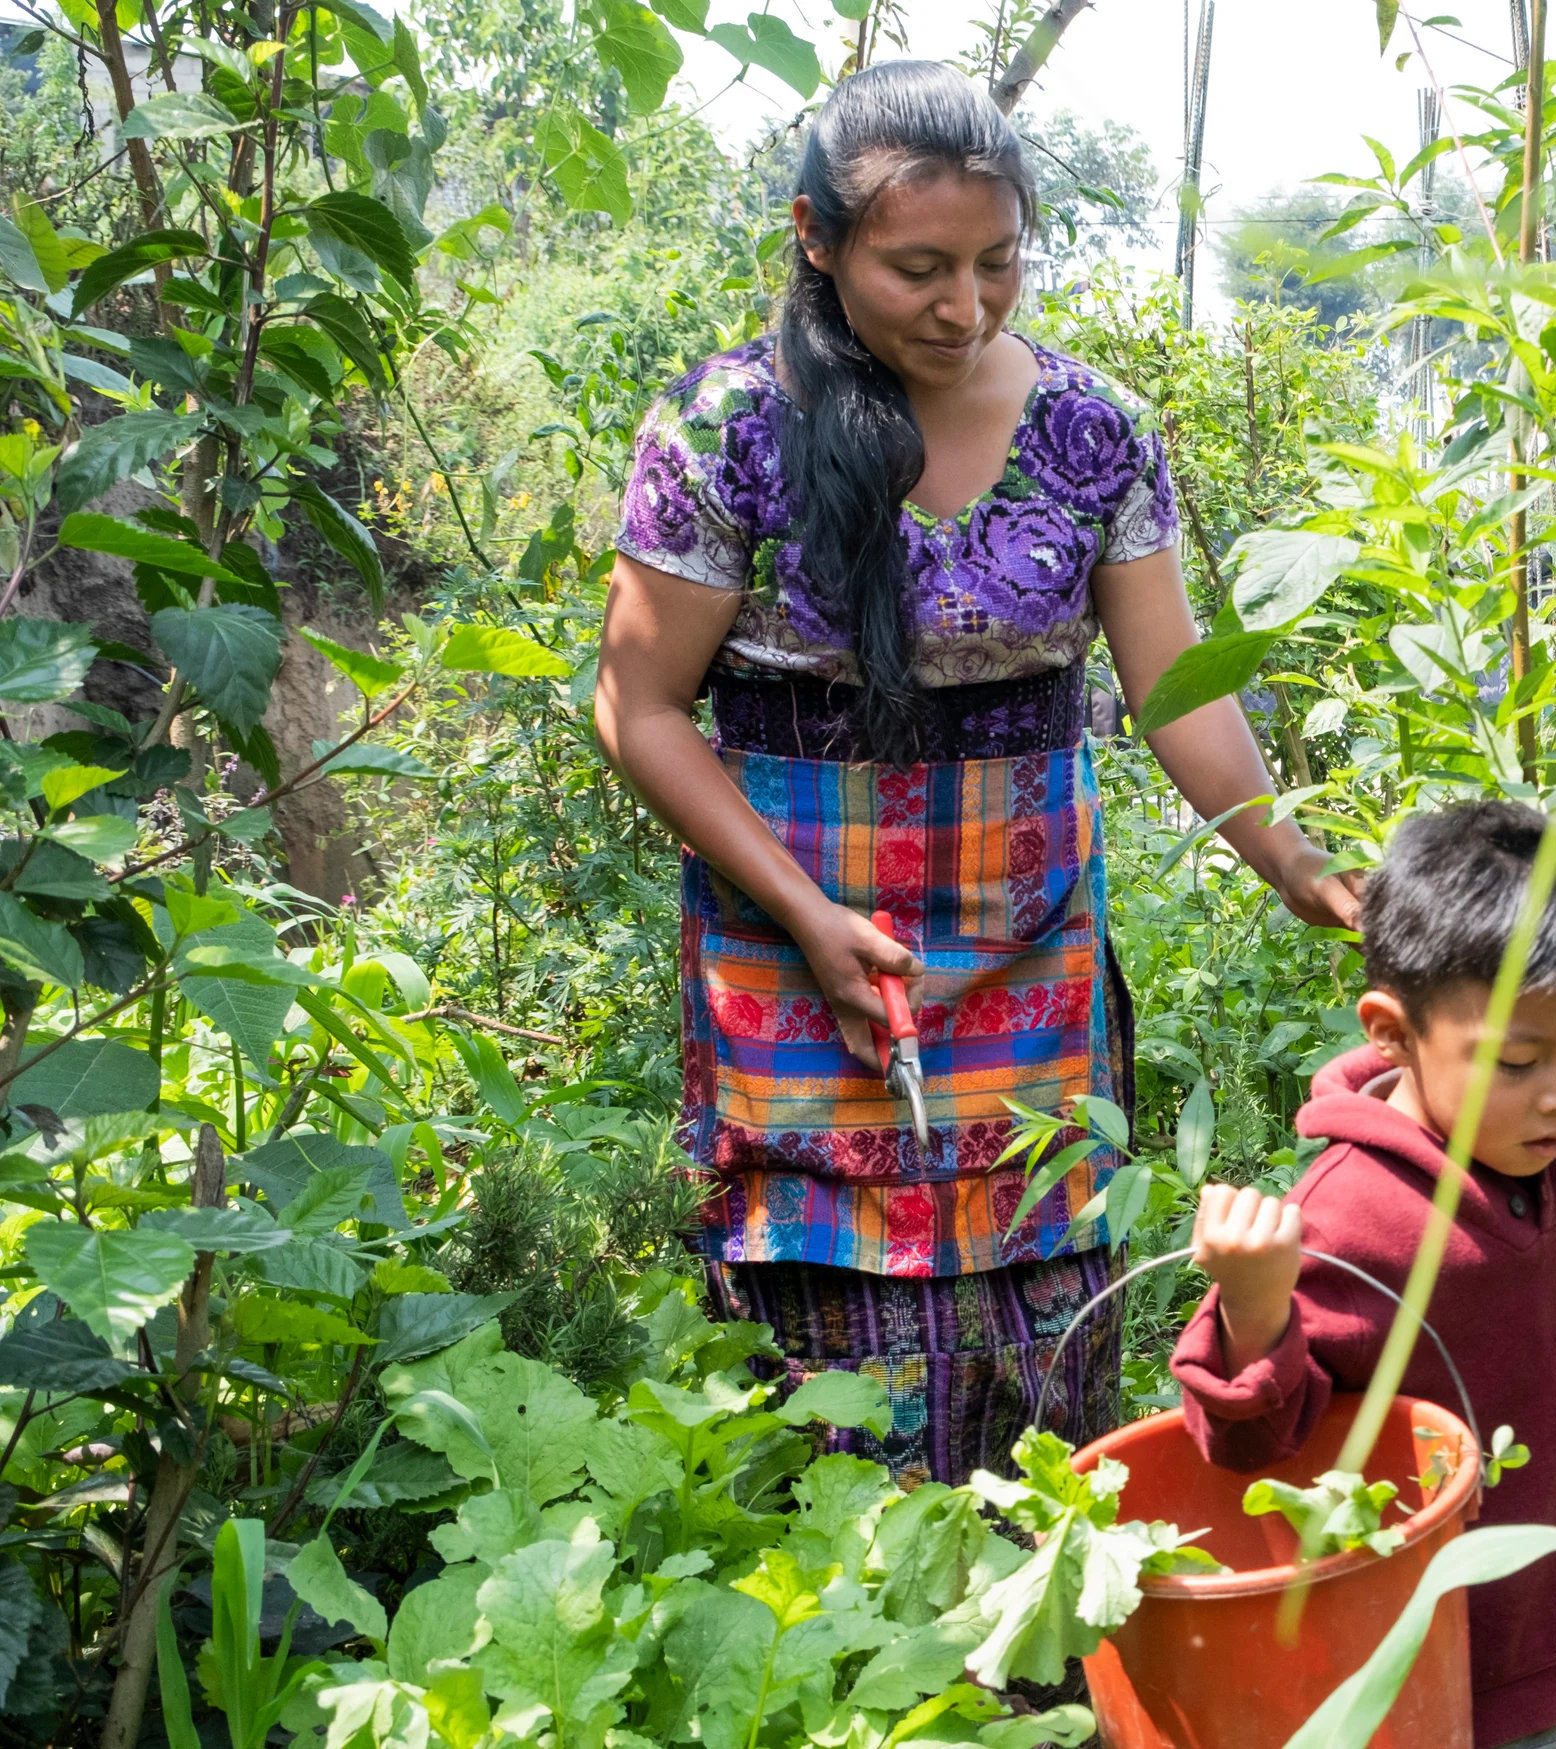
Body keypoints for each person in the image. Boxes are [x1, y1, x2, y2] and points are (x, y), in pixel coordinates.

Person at [593, 60, 1358, 1487]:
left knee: (1048, 1314)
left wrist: (1290, 857)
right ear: (818, 242)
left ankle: (1043, 1657)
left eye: (998, 262)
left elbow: (1171, 687)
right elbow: (638, 707)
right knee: (822, 1350)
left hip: (1030, 953)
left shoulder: (1095, 431)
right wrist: (805, 918)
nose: (965, 306)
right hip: (796, 950)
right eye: (919, 268)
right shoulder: (723, 431)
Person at [1170, 801, 1556, 1749]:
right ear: (1392, 1034)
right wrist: (1254, 1304)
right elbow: (1244, 1452)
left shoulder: (1518, 1138)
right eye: (1520, 1060)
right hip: (1451, 1690)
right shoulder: (1353, 1213)